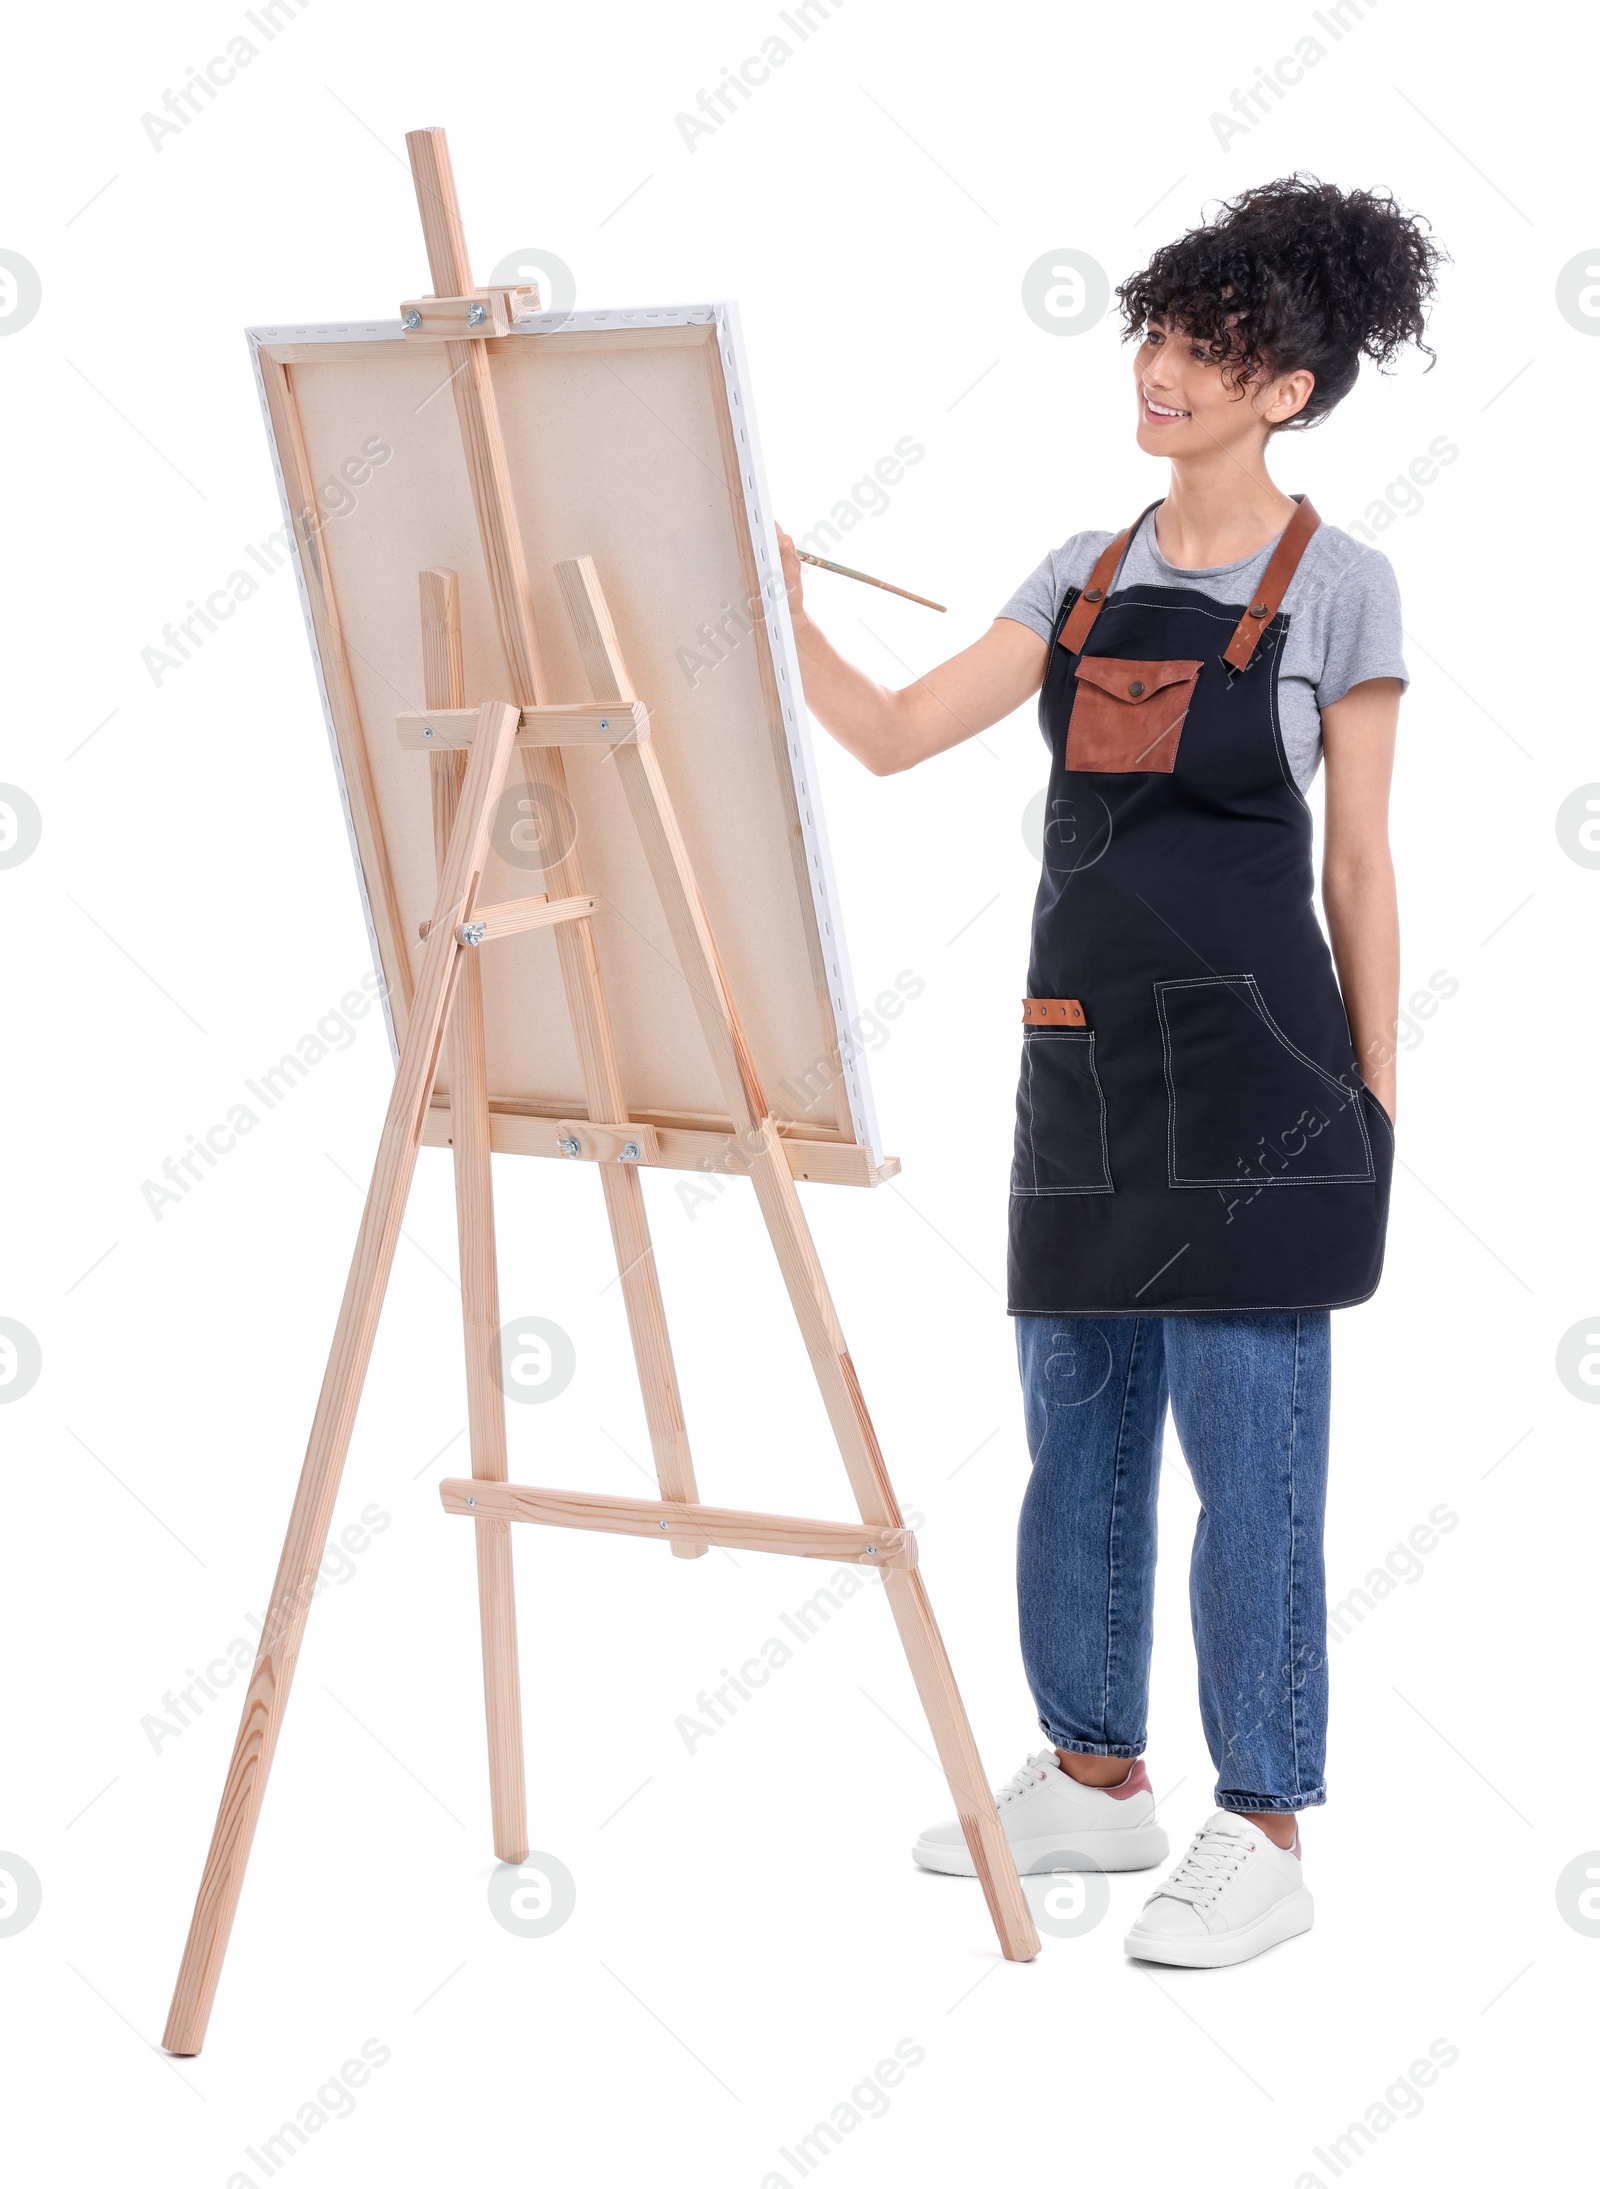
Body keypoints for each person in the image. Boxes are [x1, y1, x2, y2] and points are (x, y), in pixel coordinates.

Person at [778, 176, 1443, 1968]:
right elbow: (908, 735)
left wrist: (1375, 1095)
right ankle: (1090, 1770)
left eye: (1208, 350)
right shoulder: (1077, 576)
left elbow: (1359, 866)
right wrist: (767, 613)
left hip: (1263, 1089)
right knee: (1074, 1446)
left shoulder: (1341, 587)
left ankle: (1266, 1820)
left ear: (1287, 386)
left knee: (1253, 1465)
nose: (1161, 370)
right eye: (1154, 332)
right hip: (1078, 1081)